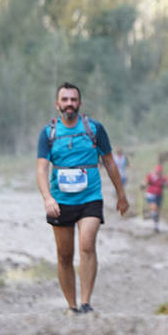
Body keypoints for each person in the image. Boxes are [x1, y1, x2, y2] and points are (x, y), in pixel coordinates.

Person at [36, 82, 130, 315]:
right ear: (57, 104)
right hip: (60, 201)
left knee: (87, 245)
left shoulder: (94, 129)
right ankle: (72, 306)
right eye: (65, 100)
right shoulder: (49, 133)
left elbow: (109, 162)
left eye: (73, 99)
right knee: (65, 255)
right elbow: (41, 169)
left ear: (80, 103)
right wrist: (48, 198)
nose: (70, 104)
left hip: (90, 197)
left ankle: (86, 303)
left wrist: (121, 195)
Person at [143, 164, 168, 232]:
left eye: (160, 171)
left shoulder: (163, 177)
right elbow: (146, 182)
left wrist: (166, 185)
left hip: (159, 195)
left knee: (158, 210)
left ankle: (156, 225)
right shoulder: (151, 175)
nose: (158, 172)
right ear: (155, 170)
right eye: (157, 171)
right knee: (153, 206)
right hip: (151, 194)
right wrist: (143, 185)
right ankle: (153, 214)